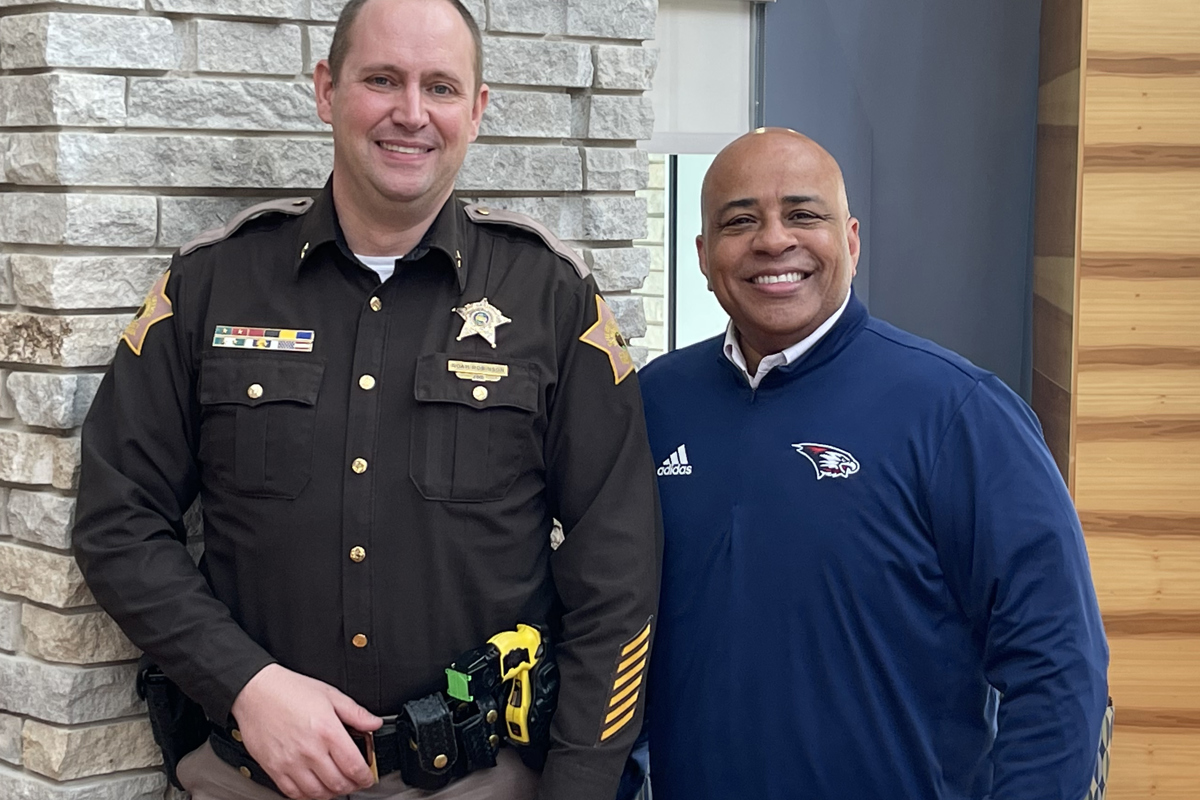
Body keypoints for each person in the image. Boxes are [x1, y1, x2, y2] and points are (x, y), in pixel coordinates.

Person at [71, 2, 661, 799]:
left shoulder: (551, 299)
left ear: (478, 110)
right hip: (248, 777)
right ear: (326, 90)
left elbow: (617, 562)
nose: (411, 113)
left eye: (441, 87)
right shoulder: (212, 285)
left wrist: (582, 783)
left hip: (477, 783)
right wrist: (244, 682)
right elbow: (118, 519)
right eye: (382, 79)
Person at [636, 128, 1108, 800]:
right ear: (705, 255)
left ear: (851, 242)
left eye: (804, 214)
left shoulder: (959, 412)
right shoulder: (655, 403)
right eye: (741, 220)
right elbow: (612, 630)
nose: (773, 240)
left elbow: (1059, 665)